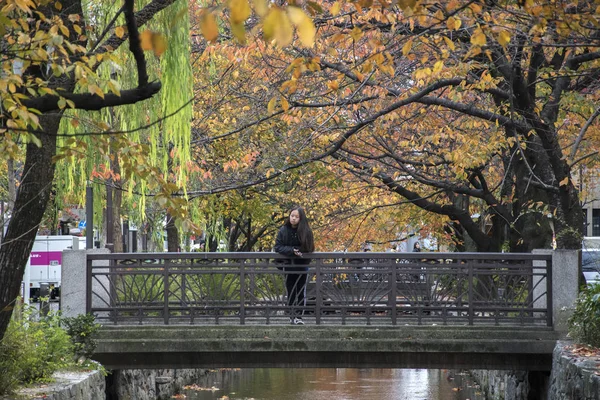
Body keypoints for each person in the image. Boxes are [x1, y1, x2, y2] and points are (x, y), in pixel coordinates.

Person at [274, 206, 315, 325]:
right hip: (288, 265)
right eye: (292, 216)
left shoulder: (306, 231)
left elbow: (309, 248)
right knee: (290, 290)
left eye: (296, 217)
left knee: (301, 291)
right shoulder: (284, 230)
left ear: (301, 218)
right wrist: (292, 250)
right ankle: (291, 315)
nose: (293, 219)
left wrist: (299, 251)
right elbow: (278, 247)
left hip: (302, 265)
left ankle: (299, 317)